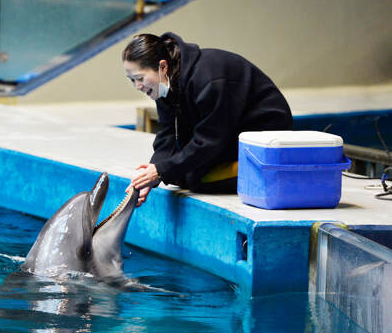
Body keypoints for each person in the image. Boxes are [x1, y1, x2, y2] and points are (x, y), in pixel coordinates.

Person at [123, 32, 293, 206]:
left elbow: (210, 140)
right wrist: (152, 174)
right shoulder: (165, 86)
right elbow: (168, 135)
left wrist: (162, 170)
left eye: (140, 78)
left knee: (196, 178)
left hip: (264, 140)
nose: (138, 86)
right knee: (178, 174)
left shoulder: (208, 80)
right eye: (132, 81)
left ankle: (266, 172)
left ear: (163, 67)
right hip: (230, 133)